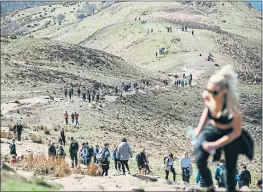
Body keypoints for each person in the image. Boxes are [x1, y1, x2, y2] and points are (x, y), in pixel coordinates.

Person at [194, 65, 254, 192]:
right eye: (208, 90)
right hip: (213, 129)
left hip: (231, 133)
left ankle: (230, 189)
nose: (210, 94)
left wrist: (215, 145)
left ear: (224, 91)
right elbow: (207, 111)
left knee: (230, 166)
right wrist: (199, 129)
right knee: (199, 158)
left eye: (214, 92)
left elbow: (237, 132)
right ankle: (210, 187)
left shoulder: (233, 107)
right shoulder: (209, 96)